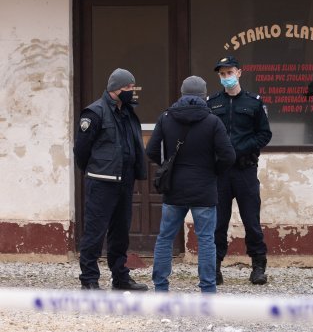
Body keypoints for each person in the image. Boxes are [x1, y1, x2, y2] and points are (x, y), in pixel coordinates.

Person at [146, 76, 235, 293]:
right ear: (204, 95)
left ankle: (161, 287)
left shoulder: (166, 117)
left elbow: (150, 151)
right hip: (204, 188)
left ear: (182, 93)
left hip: (174, 187)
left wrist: (168, 164)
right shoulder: (213, 121)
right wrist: (214, 170)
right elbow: (228, 156)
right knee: (206, 240)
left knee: (165, 238)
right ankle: (207, 289)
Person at [73, 68, 149, 291]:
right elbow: (81, 150)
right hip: (102, 181)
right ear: (116, 88)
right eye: (128, 87)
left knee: (120, 233)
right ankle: (89, 280)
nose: (131, 91)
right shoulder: (94, 113)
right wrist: (94, 169)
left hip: (124, 180)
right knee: (95, 232)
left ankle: (120, 278)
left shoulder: (127, 112)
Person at [208, 56, 273, 285]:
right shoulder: (212, 102)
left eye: (229, 73)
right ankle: (214, 267)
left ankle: (258, 266)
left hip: (245, 171)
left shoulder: (254, 102)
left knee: (251, 221)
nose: (226, 77)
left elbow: (264, 134)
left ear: (239, 72)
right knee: (218, 222)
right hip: (221, 173)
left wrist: (239, 149)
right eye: (222, 74)